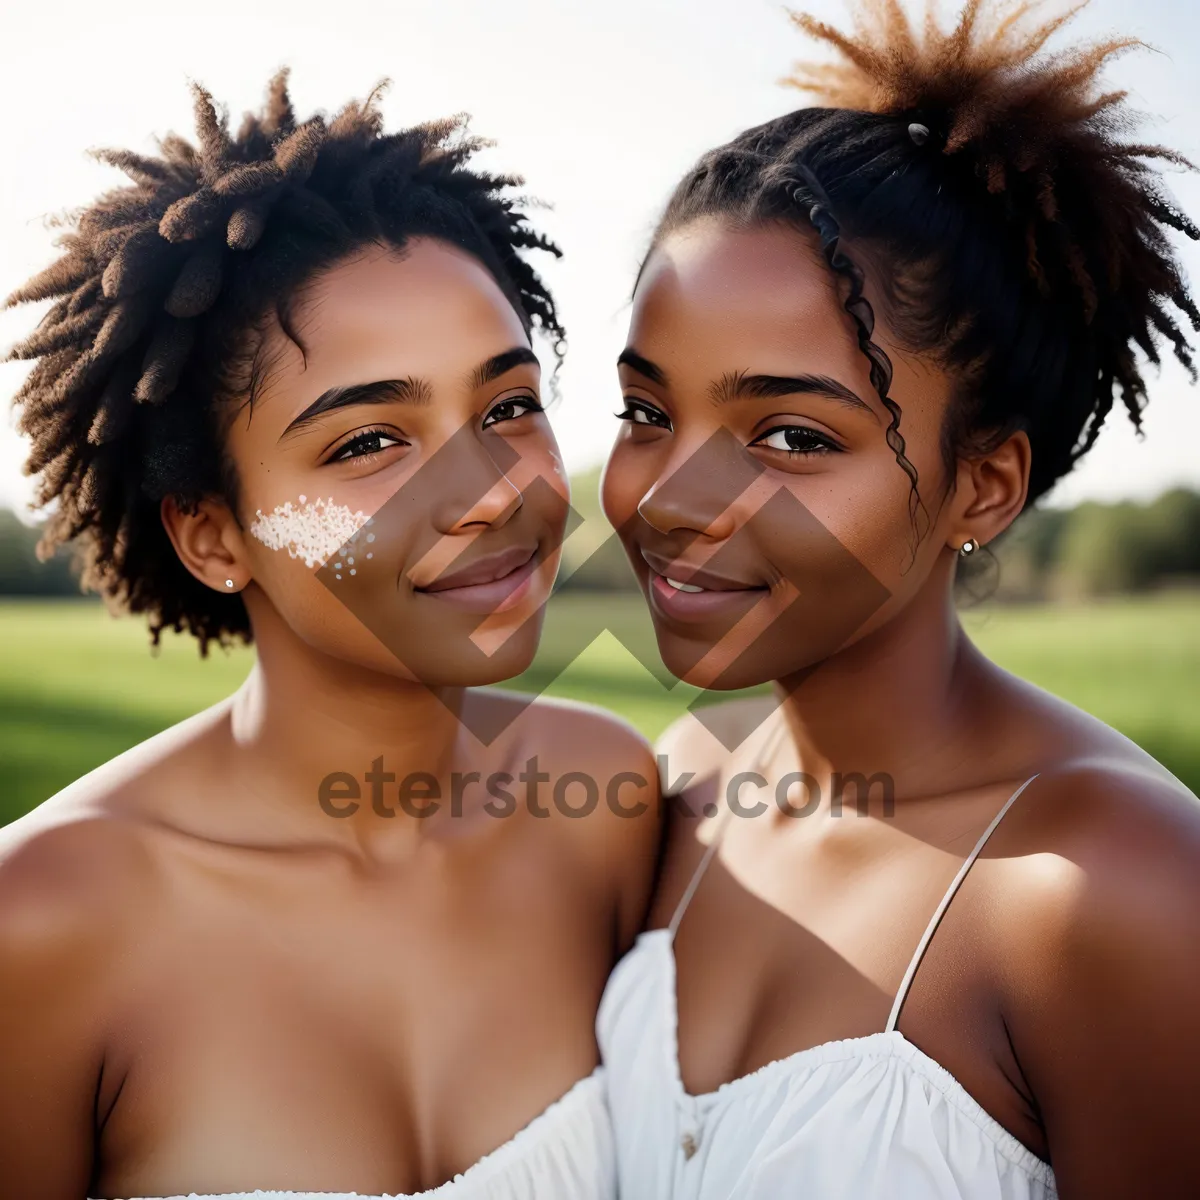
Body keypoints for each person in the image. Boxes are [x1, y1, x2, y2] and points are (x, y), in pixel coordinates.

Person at [0, 74, 658, 1200]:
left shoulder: (606, 806)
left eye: (506, 408)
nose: (491, 493)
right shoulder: (46, 925)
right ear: (215, 536)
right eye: (368, 444)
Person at [596, 1, 1200, 1196]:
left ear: (985, 486)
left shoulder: (1112, 886)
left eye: (790, 434)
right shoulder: (686, 785)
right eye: (649, 413)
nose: (673, 496)